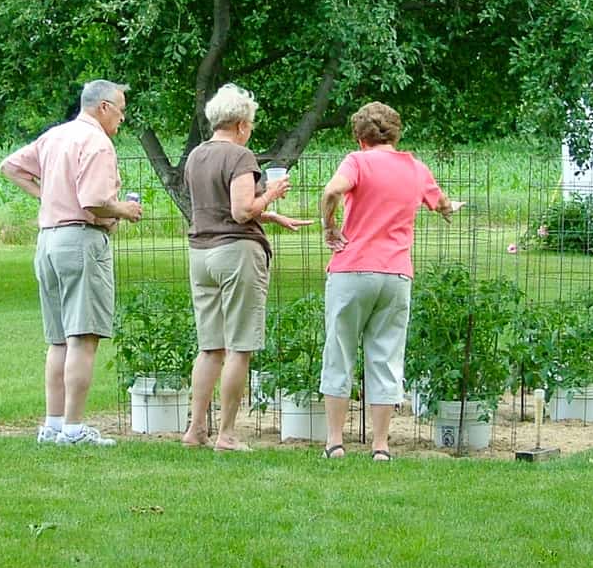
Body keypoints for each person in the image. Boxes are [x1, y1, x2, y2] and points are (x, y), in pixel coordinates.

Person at [0, 79, 143, 446]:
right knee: (83, 337)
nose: (122, 118)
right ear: (104, 107)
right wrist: (123, 210)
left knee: (59, 339)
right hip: (81, 239)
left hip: (48, 240)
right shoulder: (96, 142)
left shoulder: (54, 136)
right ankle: (75, 428)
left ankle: (53, 424)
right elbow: (94, 199)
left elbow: (11, 167)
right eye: (121, 110)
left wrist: (46, 195)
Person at [318, 102, 463, 461]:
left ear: (359, 137)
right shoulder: (416, 169)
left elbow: (331, 192)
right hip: (396, 274)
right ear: (396, 133)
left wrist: (329, 226)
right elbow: (441, 203)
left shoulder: (356, 162)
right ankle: (381, 446)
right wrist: (448, 207)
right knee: (385, 357)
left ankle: (335, 443)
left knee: (339, 351)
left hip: (351, 270)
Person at [181, 83, 311, 451]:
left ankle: (194, 431)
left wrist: (270, 216)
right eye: (250, 124)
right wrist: (271, 192)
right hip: (236, 253)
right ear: (240, 124)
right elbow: (239, 212)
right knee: (240, 346)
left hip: (201, 253)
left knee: (210, 347)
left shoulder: (196, 156)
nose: (250, 130)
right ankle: (227, 434)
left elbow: (217, 206)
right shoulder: (241, 157)